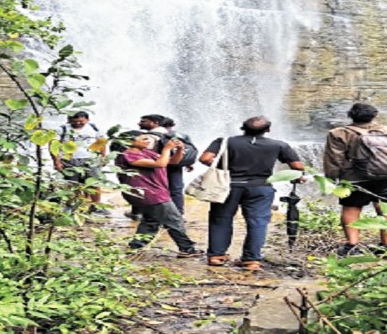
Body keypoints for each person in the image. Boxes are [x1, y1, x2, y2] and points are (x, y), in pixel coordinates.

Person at [200, 116, 305, 271]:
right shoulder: (278, 145)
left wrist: (222, 167)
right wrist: (297, 177)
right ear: (268, 130)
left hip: (228, 186)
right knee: (258, 222)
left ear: (242, 128)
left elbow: (205, 158)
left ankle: (216, 256)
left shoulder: (225, 141)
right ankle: (251, 260)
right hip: (261, 187)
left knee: (220, 219)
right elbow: (297, 166)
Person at [323, 103, 387, 256]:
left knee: (352, 208)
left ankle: (352, 246)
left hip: (355, 177)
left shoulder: (339, 133)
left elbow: (334, 159)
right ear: (375, 115)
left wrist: (331, 179)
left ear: (350, 116)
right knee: (385, 209)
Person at [117, 134, 204, 258]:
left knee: (151, 220)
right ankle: (187, 248)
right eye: (142, 139)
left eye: (147, 138)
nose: (147, 141)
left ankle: (136, 246)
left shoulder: (146, 152)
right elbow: (160, 164)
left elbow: (172, 161)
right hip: (150, 194)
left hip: (153, 193)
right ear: (129, 141)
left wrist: (180, 149)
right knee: (174, 220)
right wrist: (167, 149)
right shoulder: (128, 155)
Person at [53, 111, 109, 214]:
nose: (78, 123)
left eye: (81, 121)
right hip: (69, 160)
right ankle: (73, 206)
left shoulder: (95, 128)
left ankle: (96, 206)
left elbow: (102, 143)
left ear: (87, 120)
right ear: (69, 120)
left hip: (91, 159)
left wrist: (103, 157)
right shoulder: (62, 129)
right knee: (72, 184)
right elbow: (54, 145)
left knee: (94, 183)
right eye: (75, 121)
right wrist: (56, 161)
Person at [160, 117, 198, 215]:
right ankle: (178, 212)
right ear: (172, 125)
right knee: (176, 188)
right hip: (176, 165)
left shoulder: (157, 135)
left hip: (158, 164)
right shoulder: (183, 135)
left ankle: (152, 213)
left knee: (157, 187)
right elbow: (188, 149)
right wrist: (188, 163)